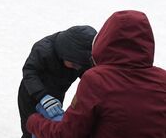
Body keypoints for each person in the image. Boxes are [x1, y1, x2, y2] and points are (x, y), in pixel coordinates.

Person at [26, 10, 166, 138]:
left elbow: (68, 134)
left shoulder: (96, 81)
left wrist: (34, 121)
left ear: (105, 39)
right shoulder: (162, 80)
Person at [17, 26, 97, 138]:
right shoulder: (43, 50)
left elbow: (89, 77)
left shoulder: (79, 60)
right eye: (75, 64)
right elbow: (30, 72)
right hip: (31, 94)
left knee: (51, 128)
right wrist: (43, 96)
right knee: (30, 132)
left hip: (56, 96)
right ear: (65, 53)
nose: (77, 68)